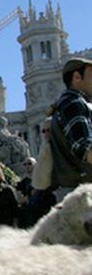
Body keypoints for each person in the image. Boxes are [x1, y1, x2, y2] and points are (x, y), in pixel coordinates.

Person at [50, 57, 92, 202]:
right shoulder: (74, 104)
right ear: (77, 77)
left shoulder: (62, 105)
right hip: (83, 194)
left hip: (74, 192)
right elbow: (83, 148)